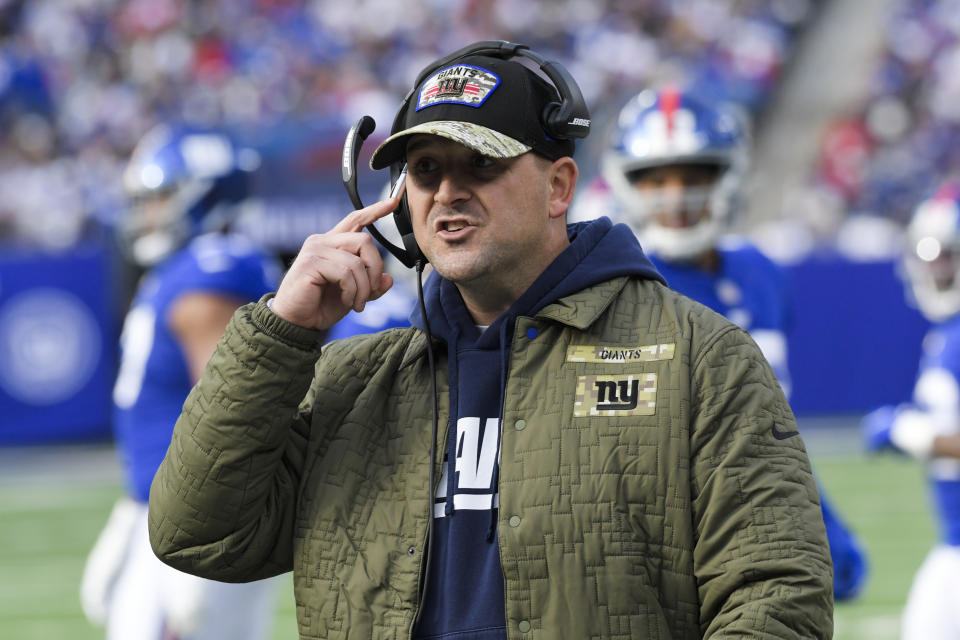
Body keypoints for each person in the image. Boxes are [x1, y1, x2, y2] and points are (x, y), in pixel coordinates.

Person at [147, 41, 833, 639]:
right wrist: (281, 332)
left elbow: (776, 594)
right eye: (424, 171)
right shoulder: (353, 379)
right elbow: (196, 532)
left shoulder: (698, 355)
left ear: (559, 185)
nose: (447, 193)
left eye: (481, 165)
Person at [599, 86, 869, 602]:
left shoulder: (758, 273)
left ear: (728, 175)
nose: (676, 196)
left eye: (694, 177)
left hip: (760, 515)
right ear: (626, 183)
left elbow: (772, 431)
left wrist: (818, 518)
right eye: (656, 179)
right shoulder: (613, 284)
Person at [80, 124, 284, 640]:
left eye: (161, 197)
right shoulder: (181, 269)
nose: (148, 213)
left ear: (207, 194)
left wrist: (205, 537)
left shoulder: (213, 270)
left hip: (194, 514)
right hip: (159, 500)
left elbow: (229, 409)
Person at [863, 178, 960, 640]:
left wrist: (915, 434)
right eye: (932, 257)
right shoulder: (946, 333)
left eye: (948, 256)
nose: (938, 270)